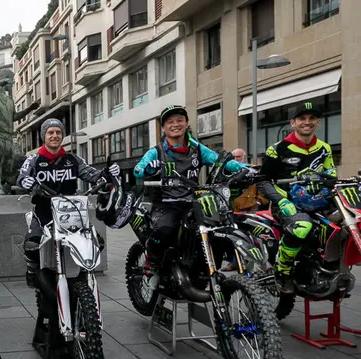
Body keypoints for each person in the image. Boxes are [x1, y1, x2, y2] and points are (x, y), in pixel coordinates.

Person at [134, 105, 246, 290]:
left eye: (179, 120)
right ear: (164, 127)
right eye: (170, 122)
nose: (175, 124)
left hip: (194, 203)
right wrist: (148, 168)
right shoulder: (157, 151)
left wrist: (242, 168)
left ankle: (202, 270)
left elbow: (220, 160)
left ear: (186, 123)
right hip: (166, 204)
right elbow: (139, 169)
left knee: (218, 231)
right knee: (164, 230)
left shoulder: (198, 149)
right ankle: (151, 263)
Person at [16, 118, 120, 288]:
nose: (54, 135)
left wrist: (108, 173)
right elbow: (21, 176)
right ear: (44, 136)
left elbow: (92, 174)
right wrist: (26, 182)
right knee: (31, 246)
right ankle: (32, 270)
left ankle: (81, 275)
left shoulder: (73, 159)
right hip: (44, 212)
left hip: (71, 213)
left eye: (58, 132)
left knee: (96, 243)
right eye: (50, 132)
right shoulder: (33, 160)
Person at [256, 102, 335, 294]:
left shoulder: (325, 148)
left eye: (312, 118)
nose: (307, 122)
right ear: (293, 123)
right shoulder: (277, 149)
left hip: (319, 202)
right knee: (302, 226)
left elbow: (332, 178)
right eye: (302, 118)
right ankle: (282, 273)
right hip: (287, 204)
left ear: (318, 122)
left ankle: (325, 265)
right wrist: (281, 200)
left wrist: (330, 186)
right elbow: (262, 181)